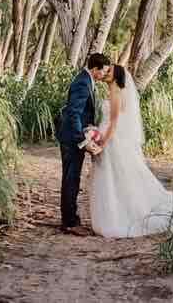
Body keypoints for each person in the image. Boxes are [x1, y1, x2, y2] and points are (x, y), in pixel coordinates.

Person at [90, 64, 173, 238]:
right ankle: (118, 211)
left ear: (116, 77)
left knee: (115, 178)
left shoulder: (116, 93)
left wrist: (102, 143)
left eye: (109, 71)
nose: (105, 73)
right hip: (111, 139)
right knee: (116, 178)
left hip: (112, 141)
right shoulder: (115, 92)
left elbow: (114, 124)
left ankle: (119, 215)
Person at [55, 52, 111, 235]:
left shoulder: (86, 80)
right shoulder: (82, 82)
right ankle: (69, 222)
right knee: (71, 179)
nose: (104, 74)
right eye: (103, 71)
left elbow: (82, 113)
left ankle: (70, 218)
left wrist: (90, 129)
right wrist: (82, 140)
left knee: (72, 178)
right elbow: (73, 113)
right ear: (95, 69)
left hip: (74, 136)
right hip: (72, 138)